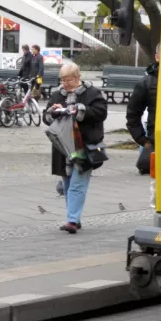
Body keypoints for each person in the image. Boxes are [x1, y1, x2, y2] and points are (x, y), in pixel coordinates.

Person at [43, 62, 108, 234]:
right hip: (63, 148)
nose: (65, 83)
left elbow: (101, 113)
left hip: (84, 145)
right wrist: (54, 112)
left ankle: (71, 220)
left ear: (78, 77)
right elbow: (46, 117)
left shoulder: (92, 93)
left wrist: (79, 110)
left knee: (77, 185)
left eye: (68, 80)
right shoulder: (57, 95)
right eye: (62, 80)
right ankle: (75, 218)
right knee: (67, 184)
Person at [126, 44, 159, 175]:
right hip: (156, 142)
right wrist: (143, 140)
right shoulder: (146, 83)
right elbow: (132, 115)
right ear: (157, 57)